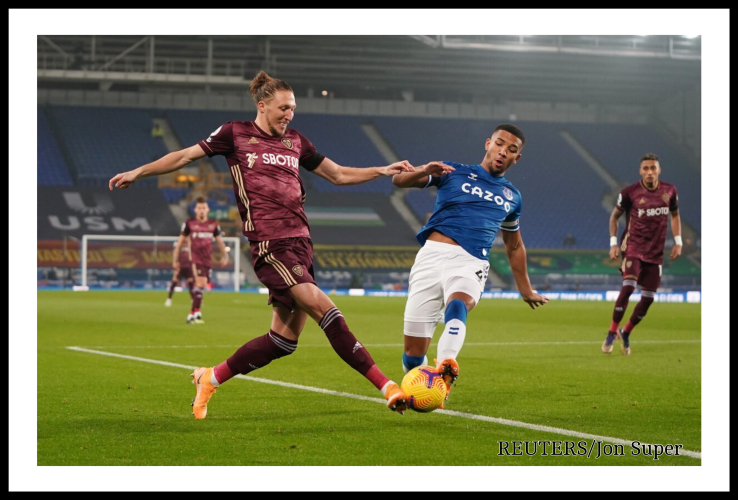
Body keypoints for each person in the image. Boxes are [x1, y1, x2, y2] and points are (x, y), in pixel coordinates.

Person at [109, 70, 414, 418]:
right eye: (283, 108)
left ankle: (210, 377)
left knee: (283, 341)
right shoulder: (234, 134)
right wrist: (138, 172)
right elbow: (183, 157)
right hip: (271, 245)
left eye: (293, 108)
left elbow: (338, 174)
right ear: (262, 105)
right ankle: (387, 386)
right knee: (325, 309)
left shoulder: (296, 141)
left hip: (301, 243)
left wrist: (382, 170)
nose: (289, 114)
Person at [391, 124, 549, 406]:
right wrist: (425, 170)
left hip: (471, 260)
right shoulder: (452, 171)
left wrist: (526, 290)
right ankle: (423, 382)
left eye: (512, 150)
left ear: (517, 158)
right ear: (488, 143)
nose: (503, 151)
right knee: (413, 357)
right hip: (430, 258)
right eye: (499, 144)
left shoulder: (512, 196)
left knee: (458, 303)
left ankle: (447, 363)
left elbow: (514, 245)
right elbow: (399, 180)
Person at [603, 153, 682, 356]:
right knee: (629, 287)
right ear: (640, 171)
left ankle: (625, 332)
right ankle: (611, 332)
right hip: (633, 247)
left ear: (659, 170)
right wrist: (613, 244)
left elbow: (675, 215)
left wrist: (678, 241)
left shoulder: (669, 190)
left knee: (648, 299)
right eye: (645, 168)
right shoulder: (629, 193)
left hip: (655, 252)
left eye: (653, 168)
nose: (649, 172)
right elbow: (614, 217)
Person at [172, 196, 229, 323]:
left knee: (200, 286)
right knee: (201, 284)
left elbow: (220, 242)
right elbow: (180, 243)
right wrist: (175, 260)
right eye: (199, 208)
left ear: (207, 209)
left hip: (207, 260)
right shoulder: (189, 223)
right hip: (195, 259)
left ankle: (192, 314)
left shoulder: (213, 224)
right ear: (195, 210)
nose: (202, 210)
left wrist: (225, 255)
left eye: (204, 208)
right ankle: (196, 314)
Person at [164, 239, 194, 307]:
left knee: (190, 283)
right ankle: (169, 299)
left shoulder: (191, 243)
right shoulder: (178, 243)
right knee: (174, 281)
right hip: (180, 266)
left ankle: (193, 300)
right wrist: (175, 262)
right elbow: (175, 253)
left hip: (188, 266)